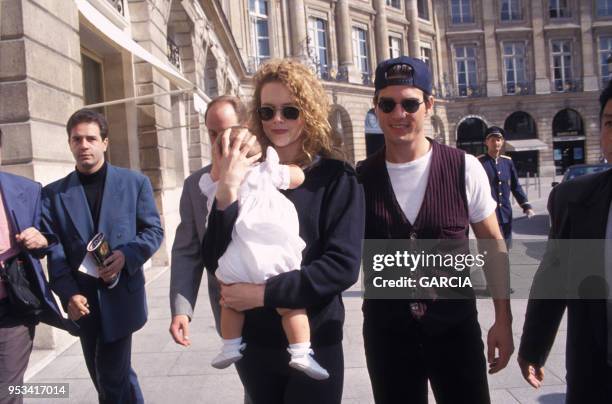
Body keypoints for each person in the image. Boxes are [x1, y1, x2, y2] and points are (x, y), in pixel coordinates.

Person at [202, 59, 364, 404]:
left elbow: (342, 266)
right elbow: (213, 255)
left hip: (315, 339)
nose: (277, 120)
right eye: (267, 111)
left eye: (290, 111)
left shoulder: (337, 178)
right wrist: (228, 186)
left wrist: (264, 294)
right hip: (255, 342)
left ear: (308, 113)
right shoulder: (247, 174)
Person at [358, 56, 513, 404]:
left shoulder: (464, 167)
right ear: (377, 108)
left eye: (410, 103)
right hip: (388, 337)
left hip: (454, 330)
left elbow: (492, 242)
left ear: (429, 104)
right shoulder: (360, 178)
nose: (399, 114)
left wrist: (503, 319)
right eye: (388, 104)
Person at [41, 109, 164, 404]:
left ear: (105, 142)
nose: (84, 144)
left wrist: (126, 256)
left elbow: (153, 231)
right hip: (83, 302)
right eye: (77, 139)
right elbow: (54, 251)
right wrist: (68, 293)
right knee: (107, 375)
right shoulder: (53, 195)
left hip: (121, 296)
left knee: (110, 376)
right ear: (70, 144)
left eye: (91, 138)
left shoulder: (135, 183)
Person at [201, 131, 328, 379]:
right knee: (291, 308)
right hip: (273, 257)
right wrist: (288, 167)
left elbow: (210, 191)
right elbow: (296, 177)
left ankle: (229, 346)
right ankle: (301, 352)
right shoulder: (265, 170)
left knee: (229, 303)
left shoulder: (217, 185)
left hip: (236, 262)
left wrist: (224, 177)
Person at [517, 81, 612, 404]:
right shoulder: (574, 198)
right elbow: (553, 278)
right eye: (611, 123)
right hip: (595, 373)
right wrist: (533, 347)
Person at [0, 130, 77, 404]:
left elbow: (50, 240)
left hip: (14, 307)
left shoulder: (27, 190)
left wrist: (40, 238)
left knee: (6, 391)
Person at [169, 95, 248, 343]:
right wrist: (182, 309)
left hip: (278, 307)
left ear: (245, 129)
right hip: (227, 311)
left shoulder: (267, 172)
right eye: (212, 133)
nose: (219, 141)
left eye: (226, 132)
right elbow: (186, 250)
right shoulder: (195, 186)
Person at [478, 126, 534, 243]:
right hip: (487, 215)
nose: (496, 143)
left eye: (498, 140)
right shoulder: (480, 162)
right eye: (492, 140)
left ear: (502, 142)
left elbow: (515, 186)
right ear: (486, 142)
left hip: (505, 213)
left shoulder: (507, 162)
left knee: (506, 247)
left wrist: (526, 206)